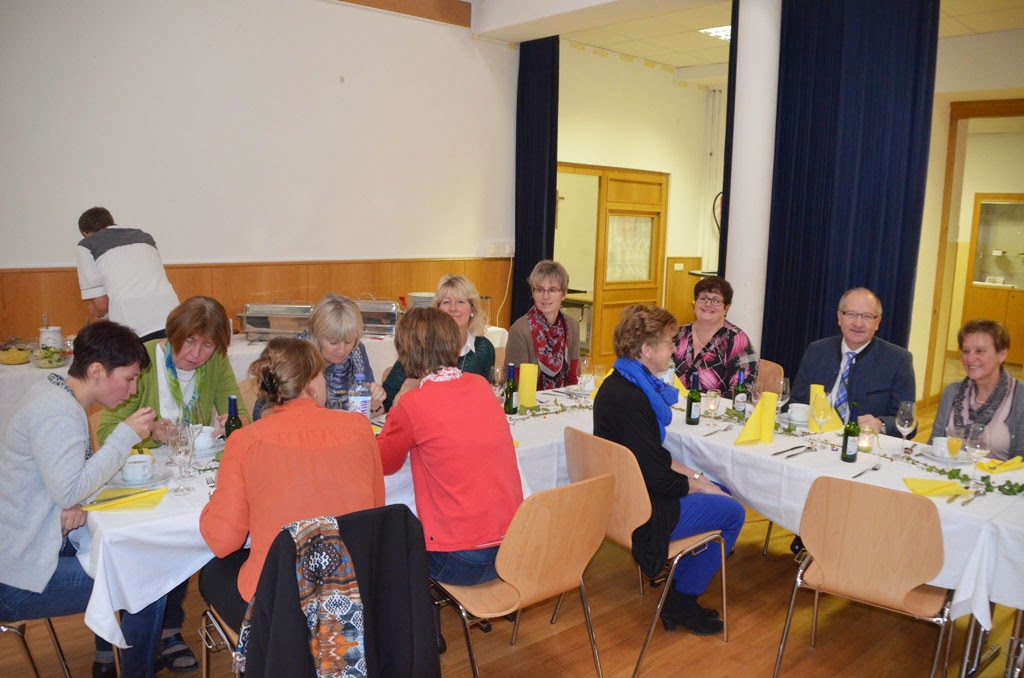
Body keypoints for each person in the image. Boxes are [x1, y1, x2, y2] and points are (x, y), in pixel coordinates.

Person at [0, 321, 165, 678]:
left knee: (126, 558)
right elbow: (70, 490)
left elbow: (66, 484)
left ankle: (110, 657)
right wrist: (123, 436)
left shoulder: (54, 392)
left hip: (26, 544)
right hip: (16, 577)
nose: (133, 390)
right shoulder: (58, 411)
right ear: (97, 371)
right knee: (147, 581)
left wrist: (68, 499)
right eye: (129, 378)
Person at [97, 295, 248, 672]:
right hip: (141, 478)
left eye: (208, 344)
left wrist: (231, 424)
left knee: (190, 534)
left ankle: (168, 630)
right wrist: (149, 433)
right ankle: (110, 638)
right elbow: (105, 431)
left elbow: (239, 415)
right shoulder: (142, 361)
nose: (197, 354)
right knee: (149, 544)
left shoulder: (215, 363)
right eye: (190, 342)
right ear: (173, 334)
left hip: (186, 476)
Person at [198, 337, 384, 630]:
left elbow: (222, 542)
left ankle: (268, 650)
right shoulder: (360, 428)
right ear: (312, 383)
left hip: (281, 609)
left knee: (212, 573)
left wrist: (214, 504)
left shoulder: (246, 441)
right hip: (352, 594)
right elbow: (375, 511)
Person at [594, 304, 745, 635]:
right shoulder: (631, 398)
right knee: (733, 513)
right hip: (641, 511)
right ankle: (680, 601)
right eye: (668, 342)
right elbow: (657, 476)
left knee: (721, 491)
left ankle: (679, 583)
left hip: (625, 496)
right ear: (647, 350)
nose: (674, 349)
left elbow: (652, 456)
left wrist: (699, 479)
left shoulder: (622, 383)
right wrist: (698, 485)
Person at [377, 307, 523, 650]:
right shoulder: (480, 385)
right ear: (454, 346)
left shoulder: (413, 405)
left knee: (390, 540)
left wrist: (398, 404)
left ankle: (425, 636)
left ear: (405, 355)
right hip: (514, 549)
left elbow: (383, 462)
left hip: (462, 561)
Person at [791, 287, 915, 436]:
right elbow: (796, 401)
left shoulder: (898, 360)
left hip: (863, 444)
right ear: (839, 317)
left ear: (877, 322)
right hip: (814, 438)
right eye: (851, 314)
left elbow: (908, 422)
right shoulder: (817, 351)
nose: (858, 323)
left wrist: (880, 424)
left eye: (867, 316)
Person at [253, 292, 385, 419]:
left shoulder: (357, 351)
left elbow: (371, 413)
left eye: (348, 342)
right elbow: (260, 412)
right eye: (333, 342)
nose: (341, 350)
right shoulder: (295, 356)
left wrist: (373, 405)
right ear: (317, 336)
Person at [382, 274, 495, 411]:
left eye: (460, 302)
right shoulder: (420, 345)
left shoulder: (484, 348)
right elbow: (386, 400)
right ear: (437, 310)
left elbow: (487, 394)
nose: (453, 308)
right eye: (446, 302)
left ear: (472, 309)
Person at [75, 207, 180, 342]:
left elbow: (102, 306)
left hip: (133, 320)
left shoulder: (86, 245)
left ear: (85, 233)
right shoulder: (144, 237)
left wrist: (97, 312)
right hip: (171, 313)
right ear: (110, 222)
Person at [930, 319, 1024, 460]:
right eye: (966, 351)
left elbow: (1021, 460)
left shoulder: (1020, 396)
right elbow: (934, 444)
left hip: (998, 474)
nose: (970, 358)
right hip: (950, 471)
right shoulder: (952, 392)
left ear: (1002, 354)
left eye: (980, 351)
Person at [673, 276, 758, 397]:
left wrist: (709, 404)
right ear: (694, 303)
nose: (708, 304)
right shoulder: (677, 334)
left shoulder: (736, 340)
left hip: (717, 407)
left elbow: (743, 388)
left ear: (726, 308)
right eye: (703, 298)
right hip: (671, 404)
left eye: (716, 301)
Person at [506, 260, 580, 390]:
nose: (545, 296)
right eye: (540, 290)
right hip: (529, 399)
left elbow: (574, 378)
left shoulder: (572, 326)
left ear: (564, 293)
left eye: (552, 290)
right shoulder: (520, 330)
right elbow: (516, 385)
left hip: (564, 399)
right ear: (532, 292)